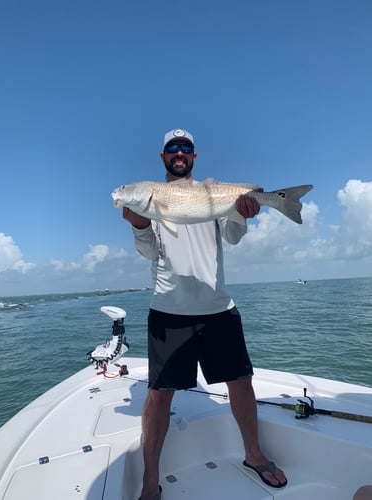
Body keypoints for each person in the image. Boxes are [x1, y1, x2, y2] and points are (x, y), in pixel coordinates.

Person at [123, 128, 287, 500]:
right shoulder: (153, 201)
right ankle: (152, 477)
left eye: (186, 148)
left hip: (219, 309)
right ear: (162, 157)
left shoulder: (212, 191)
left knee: (241, 383)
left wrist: (244, 211)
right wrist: (139, 224)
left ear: (193, 157)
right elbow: (149, 254)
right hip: (168, 312)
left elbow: (232, 237)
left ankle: (254, 454)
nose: (179, 153)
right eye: (172, 149)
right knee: (159, 395)